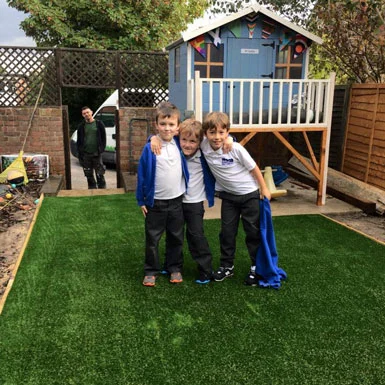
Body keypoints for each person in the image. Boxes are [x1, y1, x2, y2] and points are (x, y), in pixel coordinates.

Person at [200, 111, 272, 286]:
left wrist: (264, 188)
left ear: (227, 132)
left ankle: (257, 267)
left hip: (250, 196)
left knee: (252, 233)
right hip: (229, 198)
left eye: (221, 133)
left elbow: (254, 168)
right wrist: (154, 139)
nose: (217, 137)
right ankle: (227, 266)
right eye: (212, 132)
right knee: (227, 232)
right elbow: (181, 134)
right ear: (205, 134)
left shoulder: (235, 148)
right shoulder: (203, 146)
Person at [152, 119, 216, 284]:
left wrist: (231, 139)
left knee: (196, 235)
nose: (187, 145)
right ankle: (172, 265)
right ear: (178, 138)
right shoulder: (175, 148)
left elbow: (220, 142)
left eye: (193, 141)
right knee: (174, 235)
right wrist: (152, 138)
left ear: (200, 141)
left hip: (194, 203)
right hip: (176, 200)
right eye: (184, 140)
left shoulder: (204, 151)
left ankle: (205, 270)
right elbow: (160, 138)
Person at [136, 102, 189, 287]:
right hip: (155, 203)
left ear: (178, 126)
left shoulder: (180, 143)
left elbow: (199, 134)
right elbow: (142, 174)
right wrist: (141, 199)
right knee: (153, 239)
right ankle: (151, 270)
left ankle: (174, 267)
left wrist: (231, 139)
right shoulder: (150, 147)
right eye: (163, 124)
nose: (167, 128)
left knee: (176, 237)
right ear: (156, 124)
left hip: (176, 202)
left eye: (171, 124)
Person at [76, 106, 107, 189]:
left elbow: (103, 137)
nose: (86, 114)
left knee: (100, 173)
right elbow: (79, 141)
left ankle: (102, 190)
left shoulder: (99, 124)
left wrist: (101, 149)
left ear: (91, 112)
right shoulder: (81, 126)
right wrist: (80, 152)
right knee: (88, 174)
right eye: (84, 113)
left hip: (97, 153)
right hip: (86, 154)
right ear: (82, 115)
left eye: (87, 112)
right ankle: (91, 190)